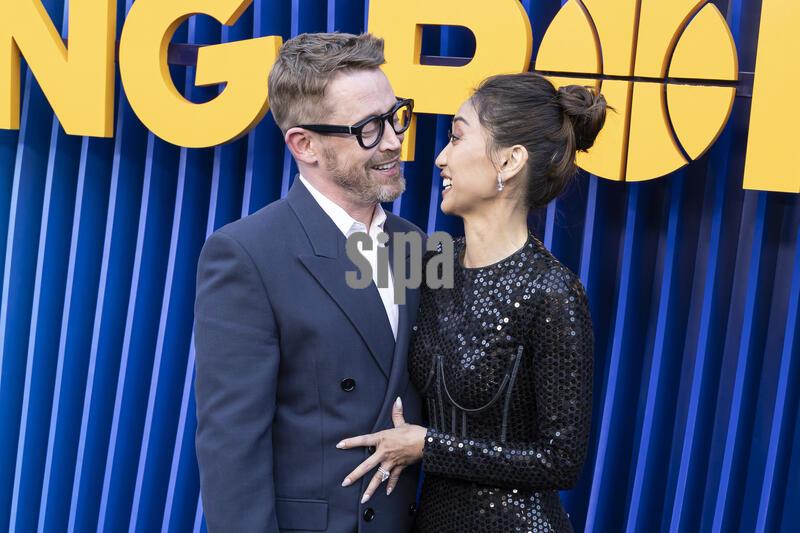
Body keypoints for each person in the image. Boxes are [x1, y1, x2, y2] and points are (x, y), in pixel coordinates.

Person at [336, 72, 606, 532]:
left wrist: (428, 446)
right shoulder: (434, 262)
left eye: (457, 138)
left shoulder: (552, 292)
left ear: (509, 160)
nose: (440, 158)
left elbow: (561, 461)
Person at [193, 32, 425, 533]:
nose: (391, 140)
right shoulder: (246, 254)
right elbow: (232, 446)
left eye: (395, 116)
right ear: (304, 145)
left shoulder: (415, 243)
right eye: (367, 128)